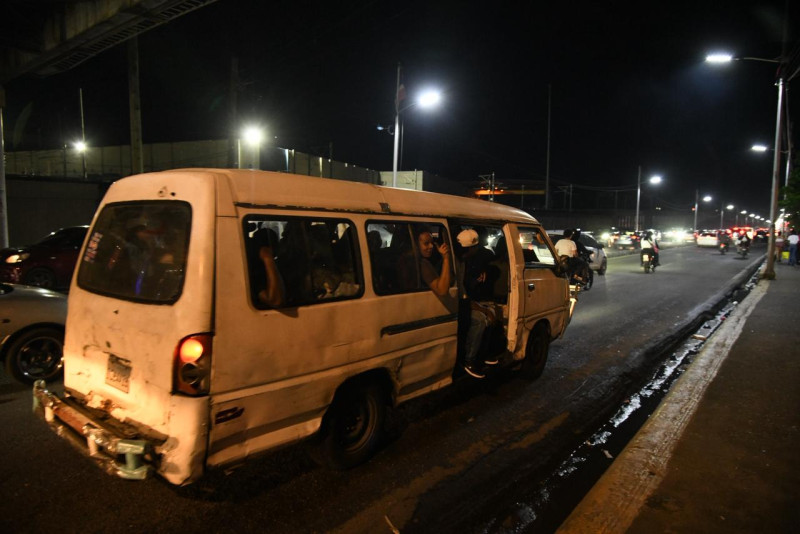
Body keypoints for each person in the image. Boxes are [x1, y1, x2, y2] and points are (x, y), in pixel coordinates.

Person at [453, 229, 499, 378]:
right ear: (471, 248)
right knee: (480, 319)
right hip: (455, 304)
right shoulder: (456, 262)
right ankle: (469, 360)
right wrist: (481, 309)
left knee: (488, 314)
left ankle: (482, 354)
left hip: (462, 300)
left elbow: (465, 289)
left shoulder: (463, 261)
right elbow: (461, 294)